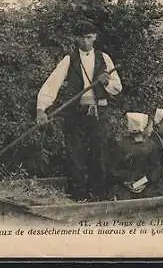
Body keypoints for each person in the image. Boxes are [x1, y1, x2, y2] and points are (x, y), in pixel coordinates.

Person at [36, 21, 122, 201]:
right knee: (75, 155)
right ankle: (78, 197)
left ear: (95, 37)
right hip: (75, 113)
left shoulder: (104, 58)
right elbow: (52, 84)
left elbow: (117, 87)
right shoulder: (70, 59)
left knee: (98, 153)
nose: (86, 42)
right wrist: (41, 109)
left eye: (89, 37)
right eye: (82, 38)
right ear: (76, 38)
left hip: (99, 112)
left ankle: (99, 197)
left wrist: (105, 82)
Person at [108, 112, 159, 200]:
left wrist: (143, 183)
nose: (151, 130)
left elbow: (156, 168)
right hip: (124, 186)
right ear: (142, 127)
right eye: (150, 127)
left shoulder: (151, 145)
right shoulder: (121, 145)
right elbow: (113, 169)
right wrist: (125, 182)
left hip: (147, 185)